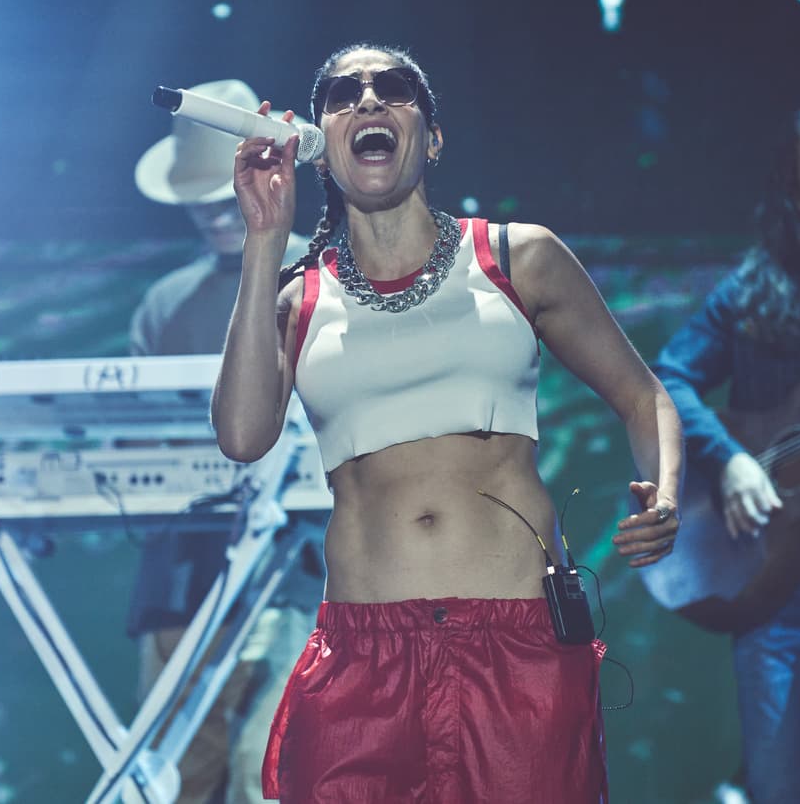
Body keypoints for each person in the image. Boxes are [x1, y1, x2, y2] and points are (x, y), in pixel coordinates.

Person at [211, 42, 684, 803]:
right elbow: (240, 437)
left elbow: (643, 396)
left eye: (392, 87)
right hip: (363, 657)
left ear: (431, 138)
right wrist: (264, 238)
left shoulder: (518, 258)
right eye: (344, 95)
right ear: (319, 147)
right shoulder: (297, 300)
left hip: (517, 647)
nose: (368, 101)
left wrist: (664, 494)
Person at [652, 96, 800, 804]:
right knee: (781, 787)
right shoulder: (755, 288)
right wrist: (732, 460)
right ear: (797, 188)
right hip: (777, 581)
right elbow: (669, 377)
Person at [128, 78, 321, 804]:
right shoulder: (163, 305)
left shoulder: (321, 276)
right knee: (176, 774)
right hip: (182, 572)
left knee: (266, 770)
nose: (211, 213)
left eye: (220, 195)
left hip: (298, 565)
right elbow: (138, 438)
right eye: (197, 201)